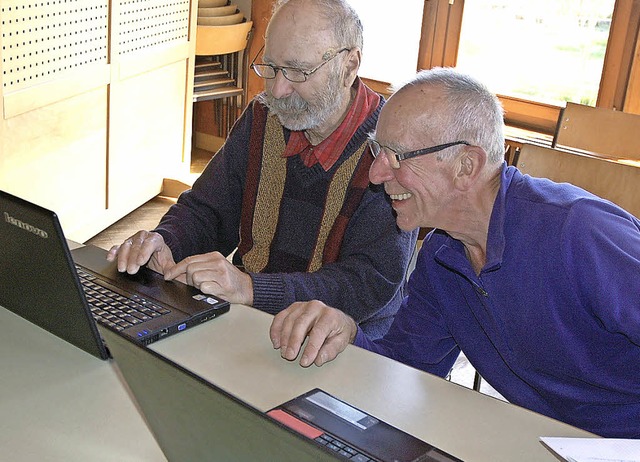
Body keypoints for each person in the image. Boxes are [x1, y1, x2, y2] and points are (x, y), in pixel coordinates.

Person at [269, 67, 640, 438]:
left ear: (468, 165)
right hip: (544, 442)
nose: (376, 174)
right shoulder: (441, 256)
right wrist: (347, 334)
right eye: (376, 151)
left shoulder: (580, 232)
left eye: (397, 156)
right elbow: (408, 368)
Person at [106, 0, 417, 338]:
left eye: (298, 71)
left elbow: (366, 283)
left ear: (349, 65)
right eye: (271, 67)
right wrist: (167, 241)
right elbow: (208, 211)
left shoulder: (389, 151)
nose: (279, 90)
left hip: (346, 343)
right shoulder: (264, 116)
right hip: (249, 320)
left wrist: (252, 288)